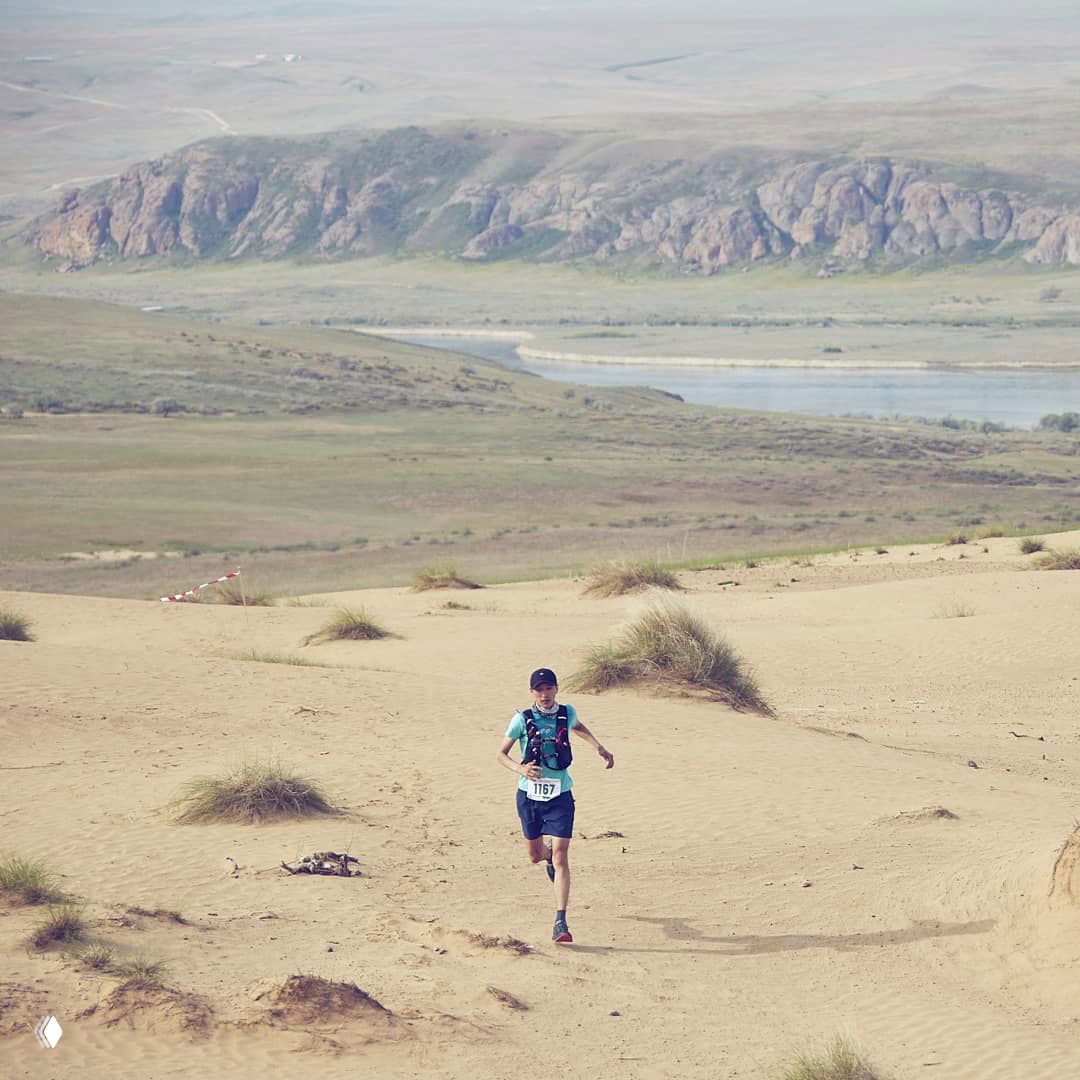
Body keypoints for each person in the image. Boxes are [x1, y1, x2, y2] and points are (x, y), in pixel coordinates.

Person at [497, 667, 615, 943]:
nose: (544, 694)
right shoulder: (521, 720)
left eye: (549, 688)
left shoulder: (566, 713)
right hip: (529, 797)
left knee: (563, 856)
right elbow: (501, 754)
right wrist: (520, 769)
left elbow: (578, 726)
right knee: (535, 856)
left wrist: (599, 747)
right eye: (539, 690)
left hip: (560, 795)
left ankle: (560, 922)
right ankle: (546, 855)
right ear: (532, 692)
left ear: (556, 689)